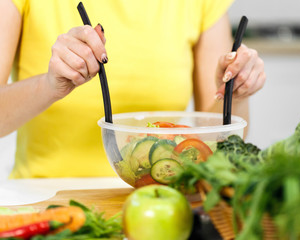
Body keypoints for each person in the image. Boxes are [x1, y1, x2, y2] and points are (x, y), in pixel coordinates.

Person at [0, 0, 266, 178]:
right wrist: (49, 86)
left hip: (161, 200)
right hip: (48, 203)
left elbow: (219, 138)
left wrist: (236, 90)